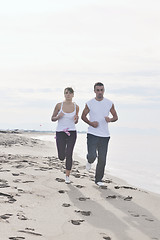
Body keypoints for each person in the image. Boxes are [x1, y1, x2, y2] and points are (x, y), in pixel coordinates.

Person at [81, 82, 118, 186]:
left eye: (101, 90)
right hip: (92, 133)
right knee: (92, 156)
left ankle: (98, 180)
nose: (100, 92)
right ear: (94, 91)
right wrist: (91, 123)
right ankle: (89, 160)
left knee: (102, 159)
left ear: (104, 90)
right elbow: (83, 116)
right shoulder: (90, 103)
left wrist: (110, 119)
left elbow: (116, 117)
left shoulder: (109, 103)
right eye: (98, 90)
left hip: (105, 136)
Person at [51, 87, 79, 184]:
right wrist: (58, 116)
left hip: (72, 132)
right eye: (66, 93)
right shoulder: (59, 105)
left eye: (70, 93)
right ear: (64, 94)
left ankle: (67, 176)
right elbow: (52, 118)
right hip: (60, 132)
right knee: (62, 156)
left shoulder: (76, 106)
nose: (68, 95)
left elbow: (76, 121)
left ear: (73, 95)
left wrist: (76, 119)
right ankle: (62, 157)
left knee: (69, 153)